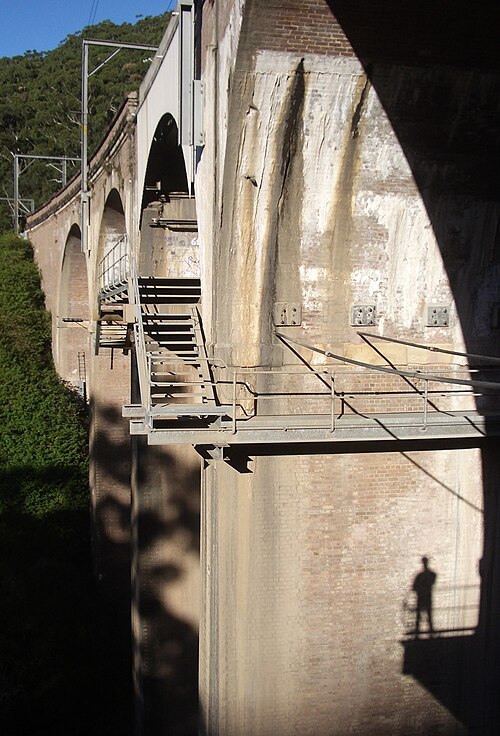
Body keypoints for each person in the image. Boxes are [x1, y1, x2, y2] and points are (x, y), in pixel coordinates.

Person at [412, 556, 437, 637]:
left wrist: (420, 587)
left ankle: (419, 633)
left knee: (424, 616)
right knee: (423, 616)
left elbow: (414, 587)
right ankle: (429, 632)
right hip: (425, 597)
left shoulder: (421, 575)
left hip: (423, 597)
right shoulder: (430, 574)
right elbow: (414, 587)